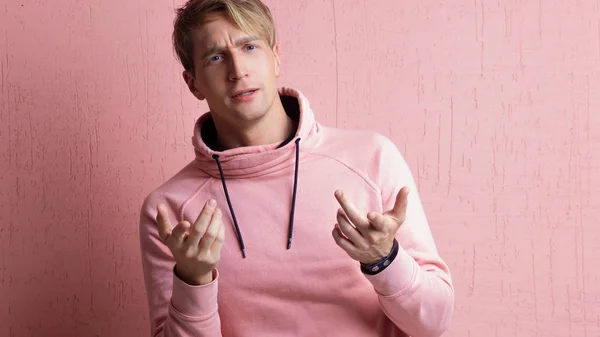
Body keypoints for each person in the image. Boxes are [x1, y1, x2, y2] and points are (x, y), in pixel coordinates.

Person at [138, 0, 454, 336]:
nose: (238, 70)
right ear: (193, 83)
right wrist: (194, 280)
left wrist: (384, 259)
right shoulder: (169, 210)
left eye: (249, 46)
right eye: (216, 57)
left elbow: (433, 323)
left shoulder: (371, 157)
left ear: (275, 57)